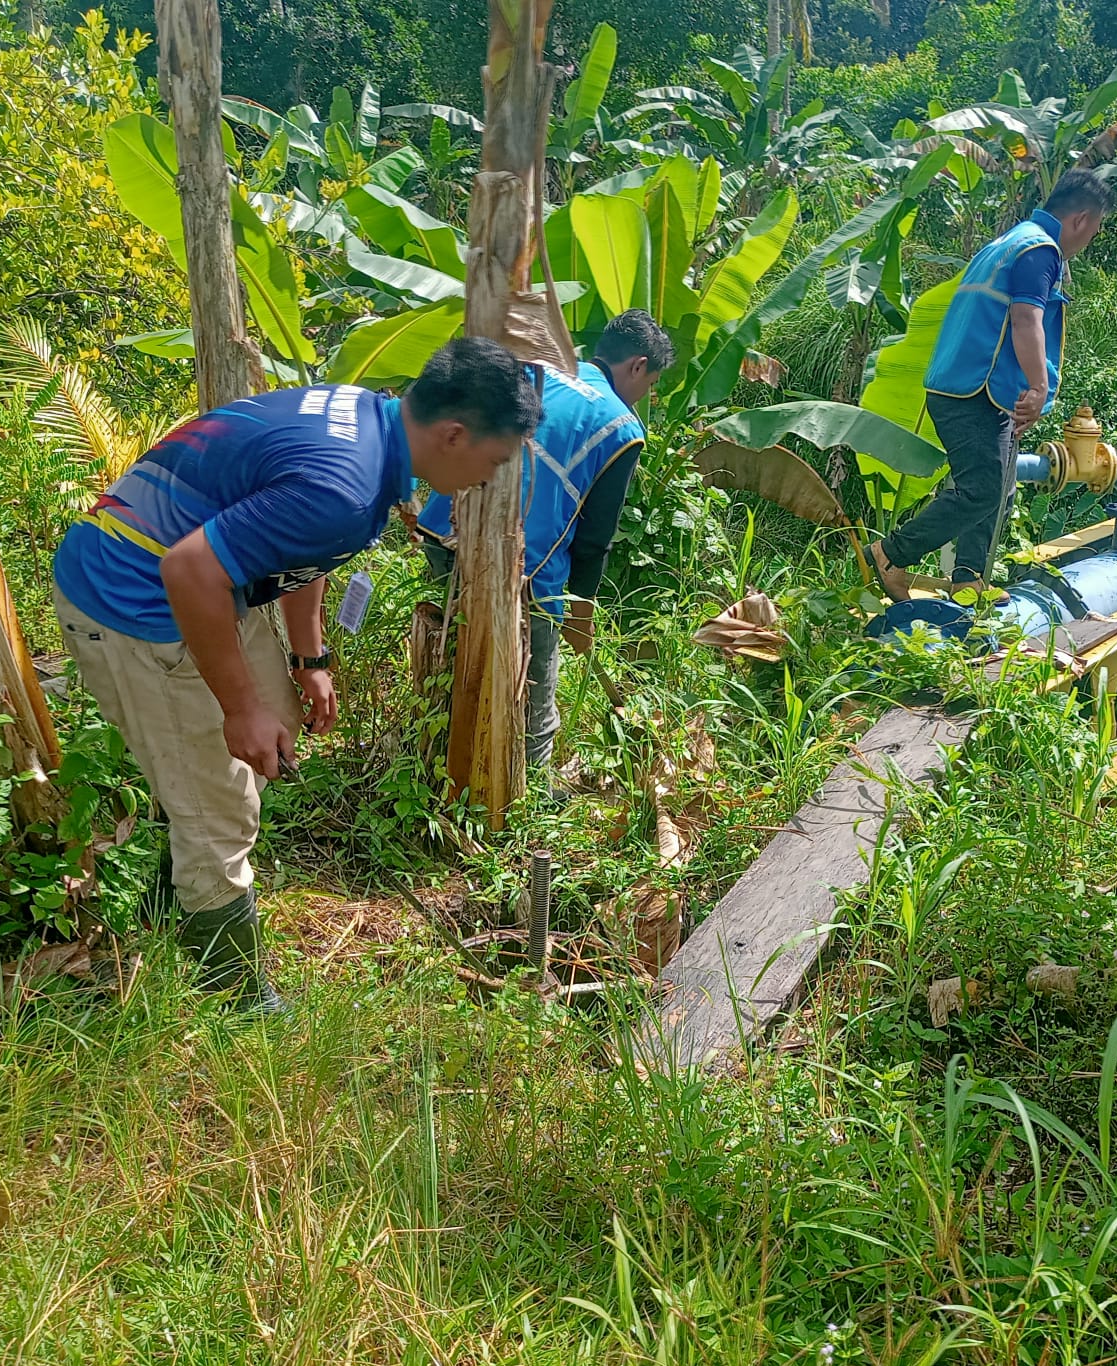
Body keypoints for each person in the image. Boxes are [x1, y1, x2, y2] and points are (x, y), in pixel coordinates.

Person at [51, 338, 540, 1011]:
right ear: (454, 435)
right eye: (495, 461)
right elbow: (188, 571)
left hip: (198, 579)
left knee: (270, 725)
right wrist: (236, 709)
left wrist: (310, 660)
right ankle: (234, 996)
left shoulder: (367, 421)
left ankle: (178, 878)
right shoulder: (344, 487)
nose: (490, 478)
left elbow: (299, 549)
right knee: (221, 804)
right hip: (135, 598)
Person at [418, 309, 674, 768]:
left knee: (455, 658)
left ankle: (437, 762)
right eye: (651, 383)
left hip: (447, 529)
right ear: (638, 366)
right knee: (535, 696)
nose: (646, 395)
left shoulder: (543, 367)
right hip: (526, 570)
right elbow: (595, 536)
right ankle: (532, 791)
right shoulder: (621, 426)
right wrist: (581, 612)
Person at [871, 169, 1116, 602]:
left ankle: (968, 579)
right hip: (973, 391)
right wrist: (1039, 387)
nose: (1090, 240)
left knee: (998, 487)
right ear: (1081, 220)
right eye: (1095, 230)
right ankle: (890, 555)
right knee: (982, 490)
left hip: (974, 386)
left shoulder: (1008, 242)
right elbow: (1026, 319)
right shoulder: (1040, 251)